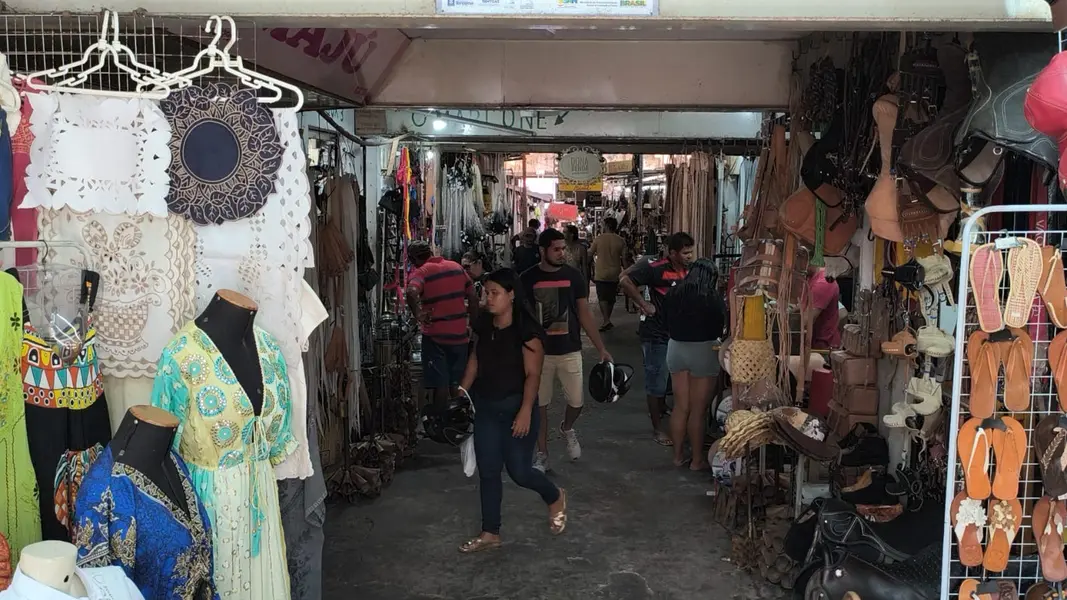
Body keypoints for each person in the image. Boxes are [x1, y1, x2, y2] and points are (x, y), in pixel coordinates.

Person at [458, 268, 567, 553]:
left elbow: (533, 376)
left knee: (519, 471)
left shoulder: (527, 332)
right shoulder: (483, 325)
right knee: (489, 471)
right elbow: (474, 361)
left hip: (517, 408)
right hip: (486, 408)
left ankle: (554, 495)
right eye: (486, 293)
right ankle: (490, 531)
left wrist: (525, 411)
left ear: (511, 295)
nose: (488, 298)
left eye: (494, 293)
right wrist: (462, 392)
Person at [521, 228, 613, 472]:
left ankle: (567, 428)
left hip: (570, 349)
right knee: (539, 406)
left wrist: (601, 348)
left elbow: (584, 313)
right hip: (538, 354)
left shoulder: (574, 277)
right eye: (556, 249)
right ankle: (542, 453)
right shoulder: (527, 279)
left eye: (564, 248)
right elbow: (521, 317)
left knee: (577, 401)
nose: (562, 253)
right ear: (543, 251)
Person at [620, 232, 695, 446]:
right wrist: (643, 305)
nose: (689, 256)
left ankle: (662, 409)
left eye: (691, 252)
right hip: (655, 334)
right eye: (685, 252)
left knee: (670, 380)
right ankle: (657, 429)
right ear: (672, 253)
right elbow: (624, 280)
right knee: (656, 382)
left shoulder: (690, 270)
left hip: (679, 334)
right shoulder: (654, 268)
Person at [662, 259, 726, 469]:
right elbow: (720, 327)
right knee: (698, 410)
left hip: (676, 349)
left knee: (681, 407)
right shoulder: (713, 298)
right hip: (703, 350)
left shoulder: (673, 293)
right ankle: (697, 460)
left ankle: (677, 456)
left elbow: (664, 321)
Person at [406, 241, 480, 410]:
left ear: (413, 259)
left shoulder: (422, 271)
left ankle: (441, 422)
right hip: (459, 335)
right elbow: (473, 297)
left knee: (440, 384)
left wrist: (417, 313)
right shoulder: (456, 267)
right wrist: (473, 323)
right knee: (457, 382)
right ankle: (459, 419)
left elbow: (411, 291)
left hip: (435, 337)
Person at [589, 217, 626, 331]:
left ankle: (606, 320)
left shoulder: (598, 239)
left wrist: (588, 268)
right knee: (611, 298)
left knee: (602, 298)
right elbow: (624, 259)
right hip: (615, 273)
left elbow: (590, 254)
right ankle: (607, 320)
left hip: (601, 272)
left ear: (606, 226)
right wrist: (626, 272)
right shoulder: (621, 240)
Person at [807, 266, 842, 350]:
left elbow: (806, 320)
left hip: (824, 345)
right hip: (815, 342)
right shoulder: (809, 278)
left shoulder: (823, 283)